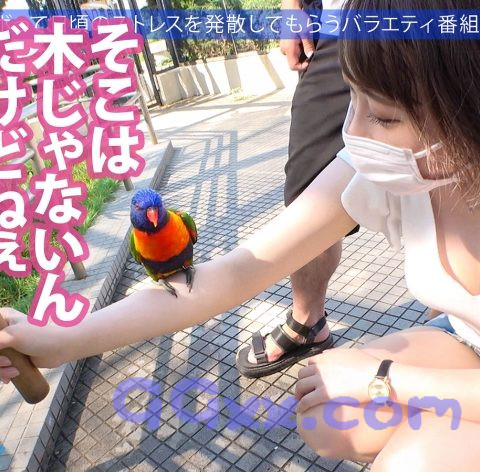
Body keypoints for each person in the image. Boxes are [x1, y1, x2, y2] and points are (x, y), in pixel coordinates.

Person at [1, 0, 480, 468]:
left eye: (385, 116)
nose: (352, 132)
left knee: (412, 457)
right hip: (466, 340)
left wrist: (383, 378)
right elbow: (234, 274)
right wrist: (57, 341)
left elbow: (380, 381)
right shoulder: (391, 161)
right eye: (352, 97)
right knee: (329, 412)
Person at [236, 0, 360, 377]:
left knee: (455, 162)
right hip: (342, 19)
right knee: (310, 183)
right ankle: (308, 323)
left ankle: (453, 329)